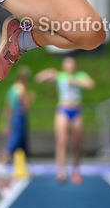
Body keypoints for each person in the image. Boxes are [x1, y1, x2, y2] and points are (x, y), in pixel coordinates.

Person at [37, 56, 94, 184]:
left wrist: (75, 81)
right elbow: (39, 78)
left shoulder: (80, 75)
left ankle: (76, 170)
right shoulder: (60, 76)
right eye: (68, 64)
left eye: (72, 64)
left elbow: (91, 84)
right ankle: (61, 171)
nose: (70, 67)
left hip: (77, 111)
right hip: (63, 110)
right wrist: (49, 72)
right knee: (62, 141)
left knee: (77, 143)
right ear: (64, 66)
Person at [0, 67, 35, 176]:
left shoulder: (12, 89)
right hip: (19, 116)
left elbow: (8, 107)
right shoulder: (22, 90)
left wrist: (5, 123)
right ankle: (0, 162)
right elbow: (25, 106)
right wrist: (31, 97)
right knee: (15, 140)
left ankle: (25, 164)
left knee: (21, 142)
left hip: (14, 115)